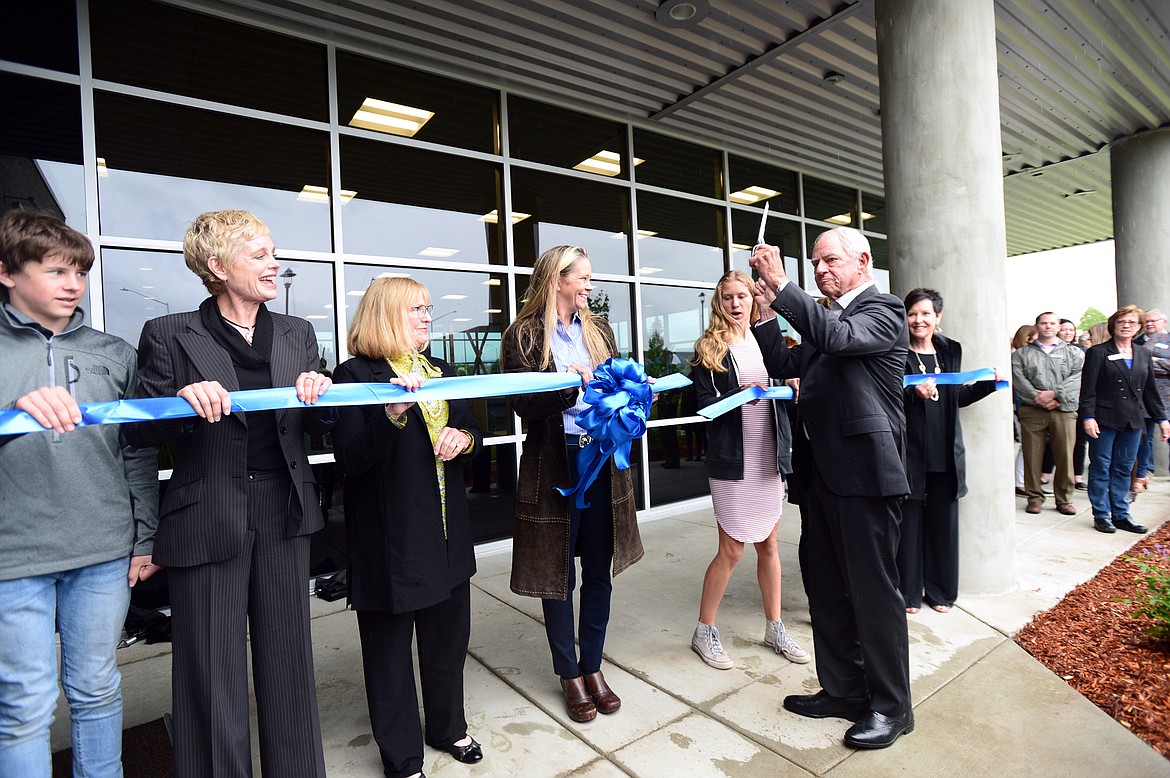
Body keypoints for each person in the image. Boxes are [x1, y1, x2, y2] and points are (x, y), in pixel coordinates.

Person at [127, 210, 331, 776]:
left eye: (274, 254)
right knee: (211, 670)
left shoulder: (297, 333)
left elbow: (319, 426)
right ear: (216, 267)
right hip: (207, 512)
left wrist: (324, 394)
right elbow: (140, 431)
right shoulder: (168, 334)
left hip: (284, 510)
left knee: (287, 662)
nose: (276, 265)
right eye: (260, 255)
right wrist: (183, 405)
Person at [0, 210, 159, 777]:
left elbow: (136, 450)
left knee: (96, 688)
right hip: (13, 559)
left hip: (103, 549)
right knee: (24, 708)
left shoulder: (113, 352)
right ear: (7, 273)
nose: (73, 285)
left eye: (81, 273)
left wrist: (145, 538)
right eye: (55, 271)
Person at [750, 226, 914, 750]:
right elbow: (784, 363)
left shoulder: (882, 311)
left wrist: (783, 284)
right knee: (825, 587)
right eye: (815, 262)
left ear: (863, 261)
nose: (821, 269)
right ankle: (843, 691)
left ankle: (891, 708)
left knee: (872, 595)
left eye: (830, 261)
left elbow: (838, 340)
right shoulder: (827, 319)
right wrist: (764, 314)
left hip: (865, 478)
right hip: (821, 478)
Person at [332, 277, 483, 778]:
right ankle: (402, 756)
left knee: (446, 644)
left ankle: (447, 728)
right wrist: (392, 413)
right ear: (388, 313)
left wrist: (464, 436)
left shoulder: (441, 369)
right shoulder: (356, 374)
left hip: (445, 535)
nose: (427, 317)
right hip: (391, 544)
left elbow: (469, 424)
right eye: (417, 308)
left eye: (428, 309)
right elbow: (350, 459)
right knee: (389, 659)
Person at [501, 245, 644, 724]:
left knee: (598, 570)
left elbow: (622, 384)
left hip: (603, 459)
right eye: (581, 276)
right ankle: (569, 673)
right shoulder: (521, 334)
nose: (588, 284)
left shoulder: (598, 329)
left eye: (588, 276)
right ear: (556, 279)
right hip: (553, 463)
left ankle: (593, 666)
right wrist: (570, 384)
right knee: (556, 573)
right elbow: (522, 401)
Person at [688, 270, 807, 670]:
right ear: (718, 303)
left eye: (742, 296)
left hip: (767, 456)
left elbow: (784, 388)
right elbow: (703, 407)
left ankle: (775, 627)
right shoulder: (709, 348)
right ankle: (704, 630)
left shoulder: (768, 341)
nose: (736, 304)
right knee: (732, 549)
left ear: (754, 300)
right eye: (727, 298)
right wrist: (736, 397)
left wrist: (791, 388)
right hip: (731, 461)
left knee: (770, 545)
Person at [898, 289, 1003, 615]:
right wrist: (913, 394)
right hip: (911, 453)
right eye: (913, 313)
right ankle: (909, 594)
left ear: (938, 318)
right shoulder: (897, 352)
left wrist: (989, 383)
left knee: (944, 525)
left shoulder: (949, 350)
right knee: (909, 525)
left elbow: (957, 397)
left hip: (945, 452)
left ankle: (942, 593)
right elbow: (885, 398)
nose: (919, 320)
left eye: (926, 314)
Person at [1079, 305, 1170, 534]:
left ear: (1139, 327)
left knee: (1124, 467)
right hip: (1104, 418)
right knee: (1101, 466)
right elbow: (1088, 390)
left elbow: (1150, 390)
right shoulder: (1098, 352)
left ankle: (1121, 514)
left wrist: (1162, 419)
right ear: (1113, 325)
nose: (1127, 325)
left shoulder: (1143, 353)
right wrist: (1088, 416)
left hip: (1133, 420)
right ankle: (1101, 514)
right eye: (1122, 321)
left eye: (1132, 322)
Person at [1012, 312, 1084, 516]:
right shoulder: (1021, 354)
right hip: (1033, 410)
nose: (1048, 327)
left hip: (1064, 409)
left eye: (1052, 323)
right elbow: (1019, 378)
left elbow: (1076, 378)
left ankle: (1064, 499)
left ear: (1058, 326)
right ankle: (1034, 497)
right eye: (1043, 323)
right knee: (1032, 455)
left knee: (1064, 455)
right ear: (1037, 326)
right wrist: (1038, 398)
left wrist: (1055, 395)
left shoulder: (1074, 352)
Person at [1132, 308, 1170, 495]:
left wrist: (1150, 361)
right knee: (1143, 438)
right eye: (1146, 321)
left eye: (1154, 321)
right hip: (1143, 398)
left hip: (1167, 398)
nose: (1149, 324)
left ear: (1164, 322)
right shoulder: (1135, 342)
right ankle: (1141, 475)